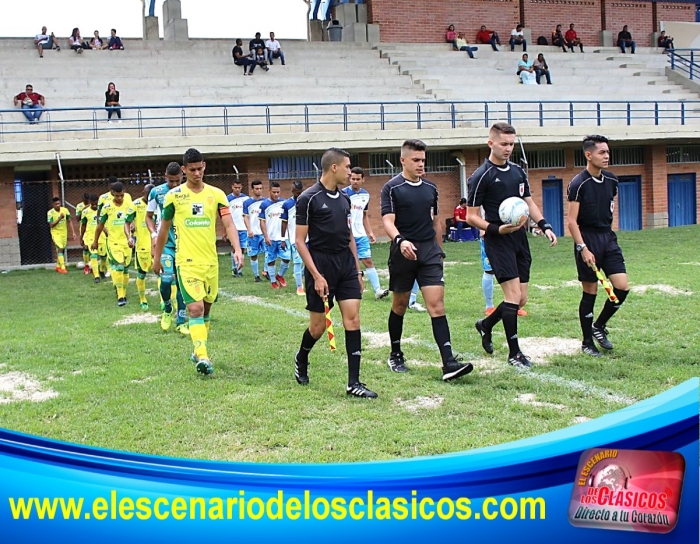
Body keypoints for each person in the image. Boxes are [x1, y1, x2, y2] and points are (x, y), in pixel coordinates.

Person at [380, 139, 474, 381]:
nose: (421, 164)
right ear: (403, 160)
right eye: (416, 160)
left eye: (423, 160)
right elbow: (388, 221)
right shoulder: (391, 188)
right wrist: (400, 241)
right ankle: (395, 353)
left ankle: (448, 363)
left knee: (437, 305)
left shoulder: (431, 188)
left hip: (429, 252)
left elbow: (435, 222)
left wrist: (439, 251)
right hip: (403, 251)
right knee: (399, 305)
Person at [466, 123, 556, 369]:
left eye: (511, 144)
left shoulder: (518, 171)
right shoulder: (480, 176)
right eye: (504, 144)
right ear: (491, 143)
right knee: (512, 297)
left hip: (519, 239)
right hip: (497, 240)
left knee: (521, 299)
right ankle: (514, 352)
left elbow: (529, 202)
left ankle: (485, 325)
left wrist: (544, 225)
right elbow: (470, 216)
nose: (508, 148)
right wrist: (495, 229)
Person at [294, 148, 377, 398]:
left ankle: (354, 383)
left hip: (345, 266)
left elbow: (349, 235)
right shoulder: (308, 198)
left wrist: (357, 269)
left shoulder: (346, 200)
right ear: (334, 168)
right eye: (347, 167)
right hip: (321, 264)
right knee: (317, 328)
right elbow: (299, 241)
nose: (350, 171)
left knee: (352, 320)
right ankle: (302, 357)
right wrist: (317, 276)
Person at [153, 148, 243, 376]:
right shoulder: (174, 197)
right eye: (192, 169)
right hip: (187, 262)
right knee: (195, 308)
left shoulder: (217, 194)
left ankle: (197, 349)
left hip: (210, 263)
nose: (197, 173)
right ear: (184, 170)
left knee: (207, 309)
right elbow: (163, 229)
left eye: (200, 168)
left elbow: (229, 224)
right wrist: (157, 257)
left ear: (204, 166)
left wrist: (237, 249)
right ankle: (202, 355)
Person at [567, 135, 630, 357]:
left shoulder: (612, 181)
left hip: (608, 238)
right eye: (602, 152)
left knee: (622, 287)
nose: (606, 156)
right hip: (587, 239)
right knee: (590, 292)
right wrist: (583, 248)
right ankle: (586, 342)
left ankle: (599, 326)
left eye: (607, 152)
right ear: (589, 155)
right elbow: (571, 221)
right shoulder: (578, 183)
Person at [146, 163, 189, 335]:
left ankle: (181, 320)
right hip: (165, 244)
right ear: (165, 177)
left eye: (177, 181)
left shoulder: (188, 192)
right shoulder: (156, 192)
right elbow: (148, 217)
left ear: (182, 176)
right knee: (165, 279)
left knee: (181, 283)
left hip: (184, 244)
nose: (174, 185)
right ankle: (167, 308)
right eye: (171, 181)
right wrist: (153, 235)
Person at [343, 167, 389, 300]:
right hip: (347, 235)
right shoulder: (343, 194)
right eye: (353, 178)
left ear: (363, 180)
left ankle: (378, 290)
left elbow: (364, 216)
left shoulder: (366, 195)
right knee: (350, 263)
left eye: (358, 179)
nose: (355, 181)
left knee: (368, 260)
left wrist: (370, 232)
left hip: (361, 235)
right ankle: (353, 288)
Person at [92, 182, 131, 306]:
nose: (120, 198)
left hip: (126, 242)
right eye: (117, 195)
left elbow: (133, 220)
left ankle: (123, 291)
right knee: (119, 266)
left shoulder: (129, 204)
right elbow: (100, 226)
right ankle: (120, 297)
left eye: (122, 195)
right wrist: (95, 241)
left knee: (125, 269)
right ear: (112, 193)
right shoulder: (107, 207)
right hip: (113, 242)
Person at [125, 183, 155, 311]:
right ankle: (143, 299)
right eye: (148, 195)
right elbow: (126, 222)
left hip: (156, 245)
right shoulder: (135, 204)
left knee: (163, 274)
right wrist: (129, 237)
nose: (150, 199)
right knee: (142, 273)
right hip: (142, 246)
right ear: (143, 192)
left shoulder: (158, 203)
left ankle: (165, 302)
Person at [259, 181, 290, 289]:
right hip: (271, 238)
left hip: (283, 237)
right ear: (269, 191)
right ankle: (273, 281)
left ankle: (280, 275)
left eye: (278, 192)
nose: (276, 194)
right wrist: (266, 236)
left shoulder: (284, 203)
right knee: (271, 260)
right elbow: (262, 221)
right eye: (274, 192)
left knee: (287, 258)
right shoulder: (264, 205)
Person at [281, 181, 305, 296]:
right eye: (296, 192)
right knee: (298, 262)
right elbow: (284, 223)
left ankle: (301, 276)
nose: (298, 194)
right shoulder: (287, 204)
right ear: (292, 191)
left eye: (300, 192)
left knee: (311, 261)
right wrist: (282, 238)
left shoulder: (307, 201)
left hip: (308, 238)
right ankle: (299, 287)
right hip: (295, 239)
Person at [242, 180, 266, 281]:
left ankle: (266, 271)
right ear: (252, 189)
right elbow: (246, 217)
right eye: (256, 189)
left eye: (260, 188)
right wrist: (249, 230)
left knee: (268, 253)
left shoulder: (265, 202)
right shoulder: (247, 203)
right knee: (254, 254)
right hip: (253, 233)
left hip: (264, 233)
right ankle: (256, 276)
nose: (259, 190)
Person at [80, 195, 105, 283]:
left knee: (103, 256)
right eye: (93, 204)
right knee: (93, 256)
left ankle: (102, 270)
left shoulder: (103, 210)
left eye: (96, 204)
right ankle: (96, 276)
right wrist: (81, 237)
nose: (94, 206)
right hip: (90, 237)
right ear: (90, 202)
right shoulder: (85, 211)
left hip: (102, 236)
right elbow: (83, 225)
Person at [226, 180, 248, 277]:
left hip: (243, 227)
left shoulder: (246, 199)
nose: (237, 189)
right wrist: (224, 231)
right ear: (232, 187)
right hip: (233, 228)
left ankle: (240, 270)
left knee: (242, 248)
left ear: (241, 187)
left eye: (239, 187)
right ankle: (234, 268)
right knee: (234, 248)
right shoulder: (228, 199)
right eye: (236, 187)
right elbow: (225, 216)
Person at [47, 197, 76, 274]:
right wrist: (59, 218)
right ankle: (63, 268)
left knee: (61, 249)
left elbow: (69, 221)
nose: (58, 205)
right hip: (55, 233)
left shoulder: (65, 210)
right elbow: (51, 225)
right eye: (56, 204)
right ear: (53, 205)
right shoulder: (50, 213)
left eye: (59, 203)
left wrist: (73, 232)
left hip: (64, 233)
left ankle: (57, 266)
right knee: (59, 248)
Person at [75, 193, 91, 273]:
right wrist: (84, 209)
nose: (87, 202)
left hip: (93, 229)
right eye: (85, 200)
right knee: (85, 247)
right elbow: (77, 219)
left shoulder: (93, 205)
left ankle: (92, 266)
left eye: (87, 200)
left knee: (93, 249)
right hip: (84, 228)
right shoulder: (79, 206)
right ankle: (86, 266)